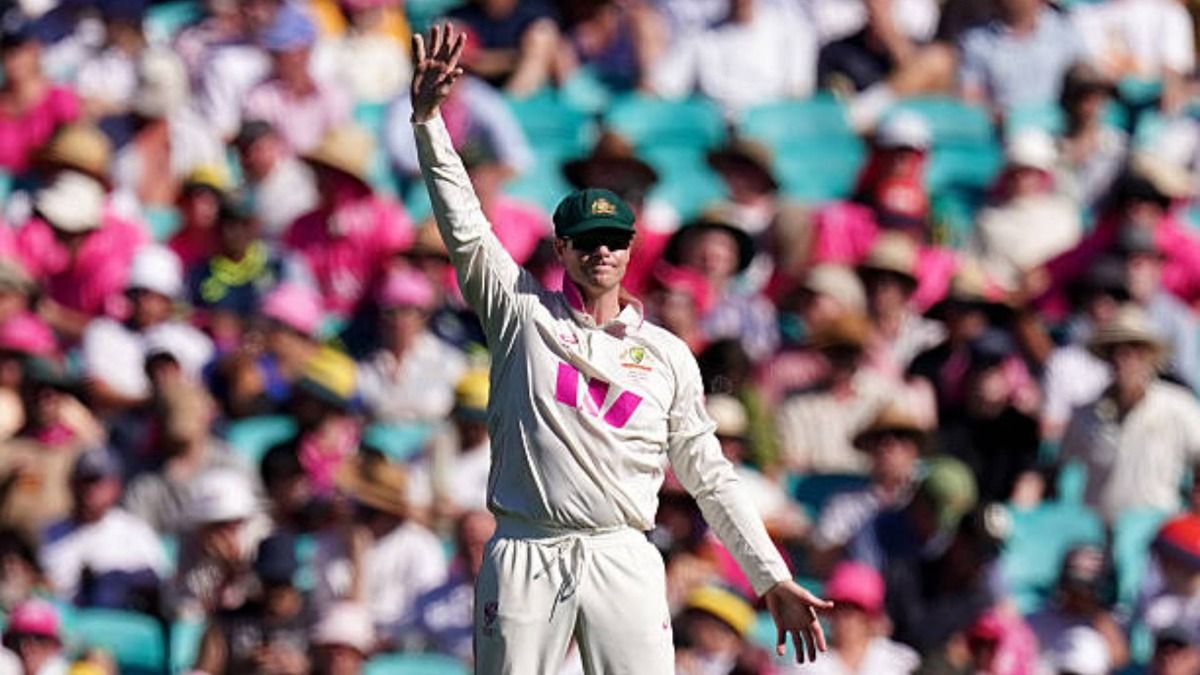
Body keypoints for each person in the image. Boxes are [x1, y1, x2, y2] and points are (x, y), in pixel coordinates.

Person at [410, 23, 831, 673]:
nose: (600, 250)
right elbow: (465, 228)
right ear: (562, 249)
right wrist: (430, 123)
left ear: (632, 248)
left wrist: (769, 575)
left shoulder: (665, 353)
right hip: (528, 546)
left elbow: (707, 471)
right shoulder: (520, 314)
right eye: (585, 239)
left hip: (621, 550)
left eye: (613, 238)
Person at [1060, 306, 1200, 521]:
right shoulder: (1085, 415)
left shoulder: (1178, 407)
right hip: (1099, 534)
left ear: (1150, 357)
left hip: (1159, 534)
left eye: (1136, 349)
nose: (1125, 358)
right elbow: (1064, 468)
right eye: (1116, 350)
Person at [313, 451, 447, 643]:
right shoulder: (328, 546)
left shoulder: (421, 546)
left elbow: (429, 614)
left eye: (364, 510)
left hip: (402, 647)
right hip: (346, 648)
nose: (353, 516)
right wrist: (358, 560)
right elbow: (336, 618)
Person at [39, 448, 168, 608]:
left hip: (116, 622)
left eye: (98, 482)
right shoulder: (50, 533)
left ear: (116, 487)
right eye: (84, 481)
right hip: (62, 619)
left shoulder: (135, 531)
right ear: (71, 484)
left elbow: (159, 584)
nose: (89, 490)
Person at [799, 561, 920, 675]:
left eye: (855, 610)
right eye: (838, 608)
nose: (844, 618)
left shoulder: (900, 662)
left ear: (871, 616)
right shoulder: (808, 665)